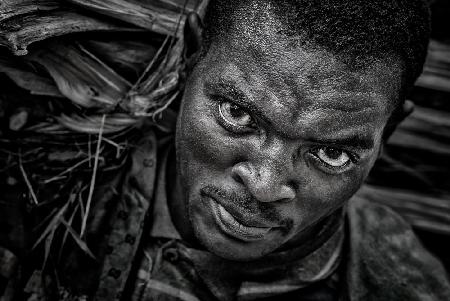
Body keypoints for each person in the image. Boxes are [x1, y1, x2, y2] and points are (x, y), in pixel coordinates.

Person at [1, 0, 450, 300]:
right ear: (192, 55)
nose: (265, 185)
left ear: (388, 131)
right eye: (237, 114)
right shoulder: (40, 188)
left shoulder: (397, 285)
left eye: (331, 154)